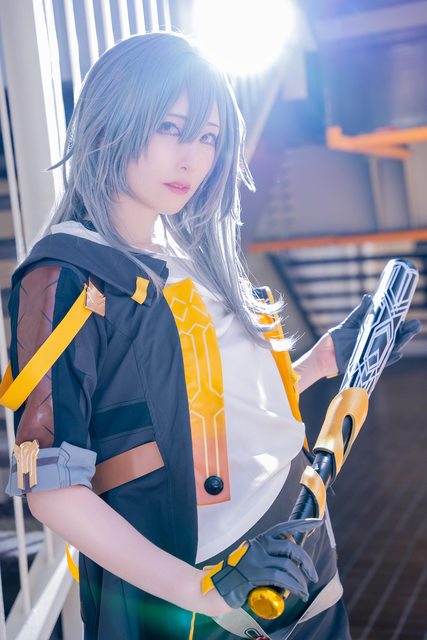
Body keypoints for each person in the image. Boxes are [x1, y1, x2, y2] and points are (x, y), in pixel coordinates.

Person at [4, 32, 419, 640]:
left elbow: (211, 410)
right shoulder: (65, 274)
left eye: (208, 137)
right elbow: (51, 491)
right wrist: (202, 591)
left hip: (299, 545)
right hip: (198, 591)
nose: (192, 159)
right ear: (112, 119)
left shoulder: (187, 253)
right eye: (171, 128)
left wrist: (325, 359)